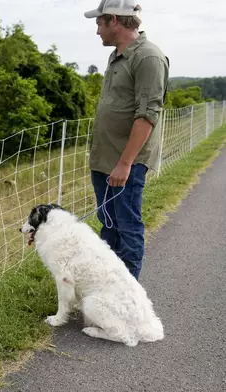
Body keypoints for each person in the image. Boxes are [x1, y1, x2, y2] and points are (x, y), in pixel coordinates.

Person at [83, 0, 169, 280]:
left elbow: (147, 116)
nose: (97, 31)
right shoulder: (117, 55)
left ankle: (127, 298)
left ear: (114, 21)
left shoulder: (148, 58)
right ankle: (107, 285)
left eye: (99, 23)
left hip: (125, 163)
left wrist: (125, 163)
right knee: (108, 224)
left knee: (127, 227)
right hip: (105, 159)